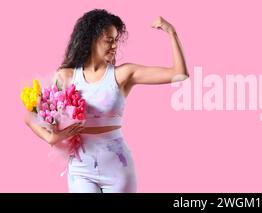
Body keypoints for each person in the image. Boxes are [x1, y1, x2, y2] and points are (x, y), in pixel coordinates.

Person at [24, 9, 188, 193]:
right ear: (92, 40)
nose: (115, 46)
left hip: (118, 169)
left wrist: (171, 32)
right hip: (81, 170)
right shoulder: (65, 76)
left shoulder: (122, 74)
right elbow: (31, 116)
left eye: (116, 40)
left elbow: (179, 74)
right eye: (109, 40)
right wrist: (52, 137)